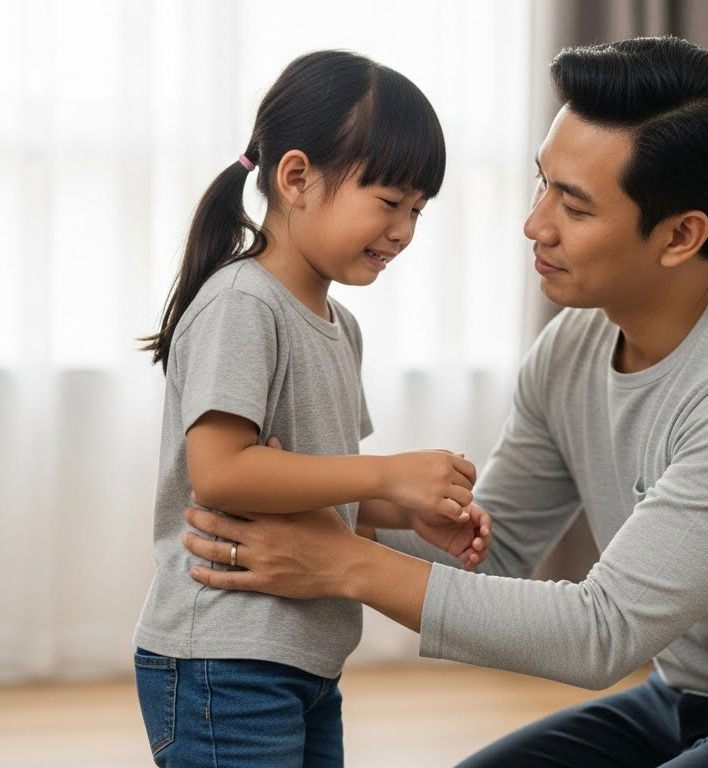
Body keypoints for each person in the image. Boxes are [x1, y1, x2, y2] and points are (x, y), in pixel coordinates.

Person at [181, 37, 708, 766]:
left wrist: (344, 564)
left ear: (680, 235)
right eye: (542, 182)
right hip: (690, 697)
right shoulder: (573, 347)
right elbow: (493, 550)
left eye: (575, 207)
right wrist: (329, 513)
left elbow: (602, 633)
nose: (535, 224)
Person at [132, 50, 492, 768]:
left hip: (302, 658)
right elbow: (222, 474)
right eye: (389, 202)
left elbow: (317, 482)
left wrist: (407, 510)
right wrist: (386, 474)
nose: (404, 230)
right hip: (224, 659)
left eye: (417, 211)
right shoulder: (243, 304)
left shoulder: (339, 325)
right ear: (296, 178)